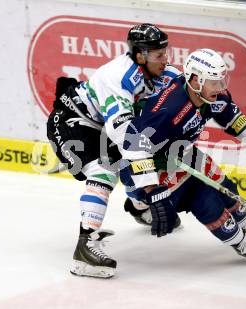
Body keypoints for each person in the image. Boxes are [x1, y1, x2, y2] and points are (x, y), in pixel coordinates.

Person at [119, 48, 246, 263]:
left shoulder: (208, 94)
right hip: (154, 166)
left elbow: (230, 115)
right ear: (196, 81)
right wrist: (151, 189)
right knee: (205, 199)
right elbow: (134, 145)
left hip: (181, 152)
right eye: (214, 82)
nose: (220, 87)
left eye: (221, 81)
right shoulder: (168, 110)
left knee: (223, 183)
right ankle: (240, 242)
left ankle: (245, 223)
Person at [46, 23, 182, 278]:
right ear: (140, 55)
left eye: (166, 53)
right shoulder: (118, 78)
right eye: (159, 55)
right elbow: (125, 136)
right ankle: (85, 248)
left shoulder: (155, 71)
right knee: (104, 170)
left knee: (138, 158)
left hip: (99, 125)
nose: (166, 60)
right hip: (71, 121)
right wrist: (153, 189)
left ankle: (138, 206)